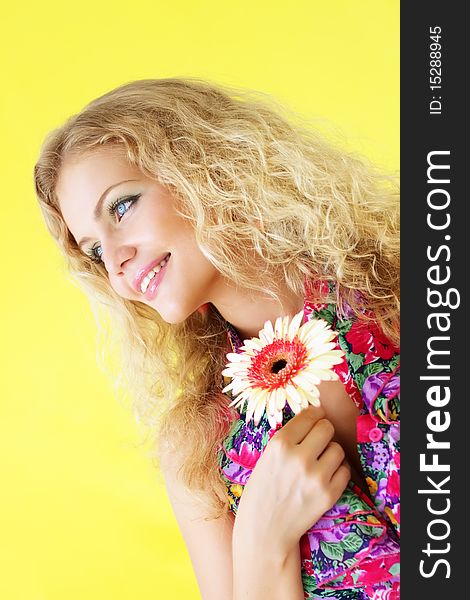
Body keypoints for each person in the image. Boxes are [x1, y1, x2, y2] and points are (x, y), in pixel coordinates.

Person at [34, 78, 400, 599]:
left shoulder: (411, 291)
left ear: (206, 170)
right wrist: (260, 542)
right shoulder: (199, 449)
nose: (114, 260)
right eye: (94, 250)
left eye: (121, 207)